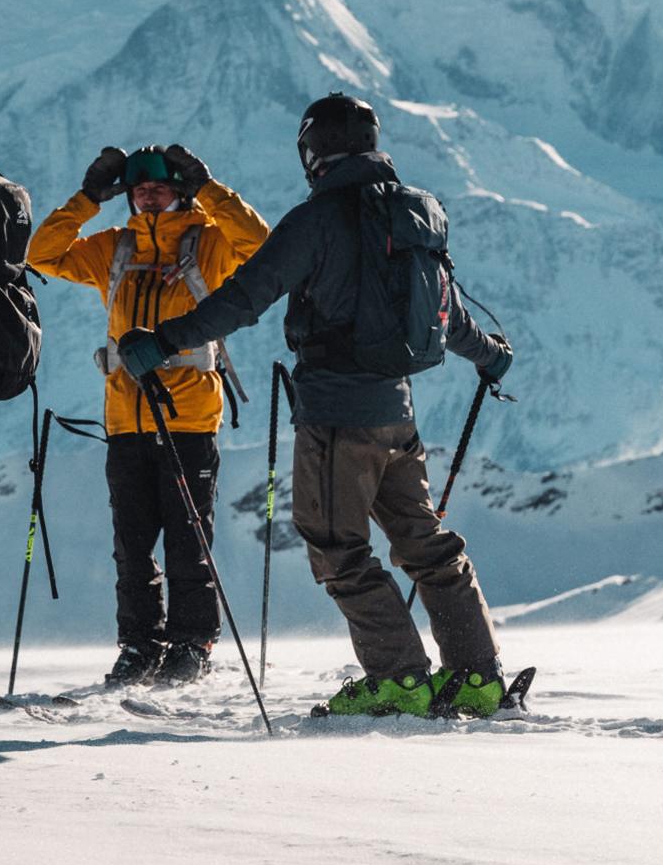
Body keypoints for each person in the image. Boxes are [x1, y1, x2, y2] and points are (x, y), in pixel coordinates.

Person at [119, 93, 517, 717]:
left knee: (337, 546)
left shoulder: (317, 220)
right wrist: (489, 354)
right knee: (425, 541)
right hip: (399, 416)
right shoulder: (412, 218)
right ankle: (477, 676)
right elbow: (447, 313)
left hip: (336, 415)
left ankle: (398, 680)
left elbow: (244, 298)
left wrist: (164, 340)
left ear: (312, 153)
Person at [29, 141, 268, 688]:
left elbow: (262, 246)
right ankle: (139, 644)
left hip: (187, 415)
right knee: (131, 545)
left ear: (179, 191)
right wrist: (88, 198)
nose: (149, 197)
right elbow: (42, 255)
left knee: (188, 539)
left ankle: (191, 643)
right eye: (139, 191)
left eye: (159, 188)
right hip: (125, 419)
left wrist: (210, 189)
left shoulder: (210, 241)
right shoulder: (114, 247)